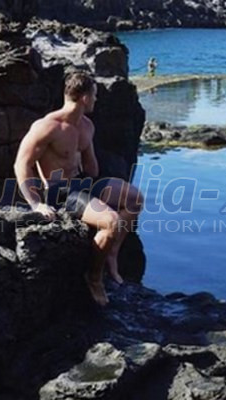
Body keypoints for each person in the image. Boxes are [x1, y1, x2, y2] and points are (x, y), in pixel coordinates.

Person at [14, 71, 143, 306]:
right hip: (60, 191)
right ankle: (94, 277)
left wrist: (100, 181)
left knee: (135, 198)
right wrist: (36, 204)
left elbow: (91, 168)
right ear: (84, 98)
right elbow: (21, 164)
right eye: (94, 95)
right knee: (111, 221)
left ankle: (112, 251)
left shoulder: (86, 125)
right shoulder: (47, 126)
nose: (97, 99)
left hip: (83, 182)